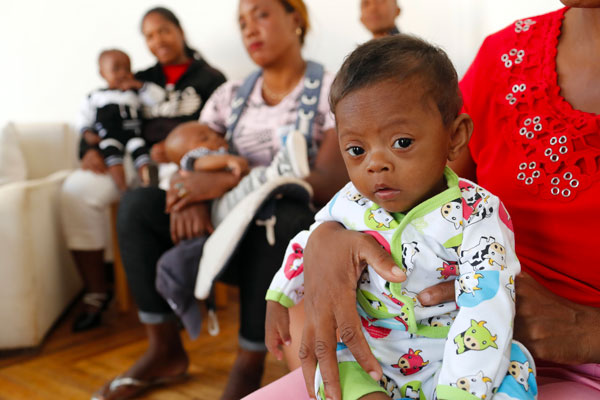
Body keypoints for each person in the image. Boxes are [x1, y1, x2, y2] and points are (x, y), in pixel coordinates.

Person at [295, 3, 600, 400]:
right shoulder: (504, 55)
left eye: (400, 143)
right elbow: (422, 189)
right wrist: (327, 238)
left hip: (533, 363)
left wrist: (589, 329)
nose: (375, 162)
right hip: (426, 347)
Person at [93, 0, 347, 399]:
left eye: (260, 14)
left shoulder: (331, 89)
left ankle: (249, 362)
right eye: (242, 22)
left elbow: (330, 180)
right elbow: (187, 157)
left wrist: (225, 183)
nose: (249, 29)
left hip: (285, 240)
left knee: (285, 212)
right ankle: (165, 350)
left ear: (294, 18)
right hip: (222, 225)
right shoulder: (229, 95)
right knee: (138, 205)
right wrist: (191, 193)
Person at [265, 35, 536, 400]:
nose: (375, 163)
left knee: (515, 372)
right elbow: (309, 240)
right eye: (357, 150)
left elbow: (487, 305)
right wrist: (280, 295)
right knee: (337, 375)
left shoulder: (479, 214)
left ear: (454, 137)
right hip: (374, 354)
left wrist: (461, 392)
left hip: (455, 353)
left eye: (402, 142)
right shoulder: (349, 201)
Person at [60, 6, 225, 333]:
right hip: (133, 157)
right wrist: (88, 148)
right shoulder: (140, 79)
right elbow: (102, 114)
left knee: (159, 197)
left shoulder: (210, 78)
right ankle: (96, 292)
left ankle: (177, 291)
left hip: (184, 165)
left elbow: (221, 131)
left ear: (179, 31)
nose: (158, 40)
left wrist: (183, 152)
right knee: (77, 191)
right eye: (149, 35)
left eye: (163, 30)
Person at [164, 121, 309, 228]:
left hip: (234, 201)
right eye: (205, 139)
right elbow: (201, 163)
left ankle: (280, 172)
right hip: (217, 210)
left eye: (213, 134)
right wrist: (227, 160)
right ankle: (279, 172)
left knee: (252, 181)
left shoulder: (224, 153)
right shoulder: (194, 158)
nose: (214, 137)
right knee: (253, 182)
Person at [79, 49, 153, 194]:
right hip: (110, 137)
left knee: (142, 156)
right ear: (102, 73)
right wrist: (87, 134)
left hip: (134, 137)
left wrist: (139, 86)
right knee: (113, 157)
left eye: (127, 69)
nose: (122, 73)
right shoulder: (96, 96)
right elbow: (83, 118)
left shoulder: (135, 92)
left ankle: (148, 186)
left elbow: (156, 99)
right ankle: (123, 189)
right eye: (116, 69)